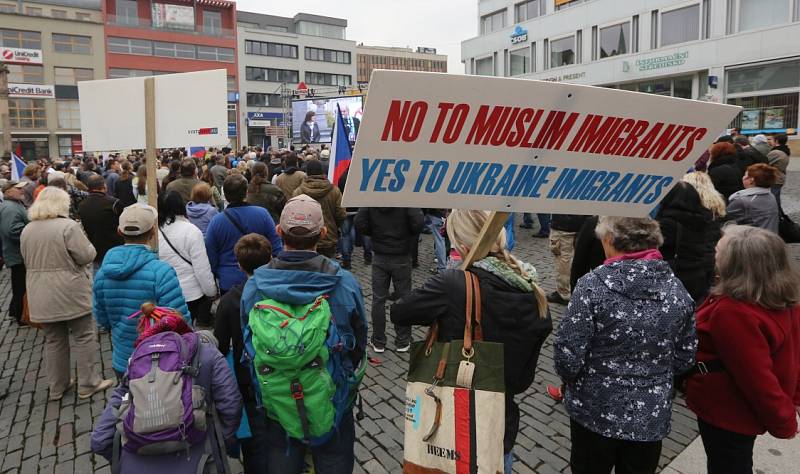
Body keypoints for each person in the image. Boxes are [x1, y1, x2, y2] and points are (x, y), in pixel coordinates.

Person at [392, 209, 553, 473]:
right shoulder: (533, 289)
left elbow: (400, 311)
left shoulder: (453, 284)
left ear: (463, 245)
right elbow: (523, 378)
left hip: (454, 416)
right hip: (500, 422)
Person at [554, 216, 696, 474]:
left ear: (609, 241)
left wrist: (575, 380)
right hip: (650, 414)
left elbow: (568, 354)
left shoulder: (592, 286)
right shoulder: (677, 290)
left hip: (594, 409)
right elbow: (685, 356)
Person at [239, 194, 368, 473]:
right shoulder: (344, 283)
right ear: (322, 233)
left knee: (282, 457)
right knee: (334, 459)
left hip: (277, 397)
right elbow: (359, 342)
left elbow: (247, 341)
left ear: (278, 231)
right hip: (332, 395)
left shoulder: (255, 286)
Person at [684, 225, 800, 474]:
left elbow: (756, 376)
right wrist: (794, 399)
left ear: (735, 263)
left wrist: (784, 421)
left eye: (718, 251)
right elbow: (795, 353)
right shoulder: (782, 296)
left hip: (727, 411)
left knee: (728, 465)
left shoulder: (733, 311)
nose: (714, 255)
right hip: (741, 411)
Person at [91, 313, 242, 474]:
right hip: (199, 462)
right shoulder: (207, 354)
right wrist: (219, 442)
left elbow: (100, 440)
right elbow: (231, 405)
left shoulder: (134, 366)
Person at [20, 187, 113, 400]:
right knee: (84, 335)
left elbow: (26, 259)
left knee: (54, 340)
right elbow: (87, 255)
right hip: (70, 290)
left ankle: (57, 386)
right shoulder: (68, 226)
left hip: (39, 291)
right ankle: (89, 382)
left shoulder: (28, 229)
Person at [93, 203, 189, 379]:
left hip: (123, 360)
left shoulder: (102, 274)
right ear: (153, 231)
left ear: (120, 231)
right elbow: (179, 319)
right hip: (159, 360)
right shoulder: (161, 271)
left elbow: (102, 319)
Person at [214, 233, 272, 472]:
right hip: (284, 371)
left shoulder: (229, 301)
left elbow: (219, 345)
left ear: (239, 264)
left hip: (248, 378)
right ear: (271, 258)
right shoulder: (283, 290)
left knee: (256, 442)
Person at [355, 206, 424, 352]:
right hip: (402, 254)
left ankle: (379, 341)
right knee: (404, 297)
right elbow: (418, 223)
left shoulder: (374, 197)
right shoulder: (404, 198)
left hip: (380, 254)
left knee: (378, 300)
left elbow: (359, 221)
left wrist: (374, 233)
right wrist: (407, 234)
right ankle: (403, 340)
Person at [204, 174, 282, 294]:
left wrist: (216, 275)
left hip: (229, 280)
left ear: (225, 195)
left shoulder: (216, 221)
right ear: (246, 192)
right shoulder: (263, 214)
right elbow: (276, 246)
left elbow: (211, 255)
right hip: (261, 277)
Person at [158, 191, 217, 328]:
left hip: (164, 292)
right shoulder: (191, 231)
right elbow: (201, 268)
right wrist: (211, 291)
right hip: (191, 293)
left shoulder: (155, 232)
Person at [292, 160, 345, 258]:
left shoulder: (298, 192)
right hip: (327, 235)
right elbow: (341, 214)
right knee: (327, 268)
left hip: (306, 237)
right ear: (322, 171)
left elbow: (294, 215)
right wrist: (333, 226)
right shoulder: (334, 191)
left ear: (307, 172)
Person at [78, 175, 124, 271]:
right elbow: (123, 224)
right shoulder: (113, 203)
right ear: (104, 186)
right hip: (115, 249)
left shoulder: (82, 205)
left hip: (95, 249)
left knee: (98, 278)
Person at [0, 181, 29, 324]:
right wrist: (31, 233)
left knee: (19, 284)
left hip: (17, 253)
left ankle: (14, 310)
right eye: (18, 188)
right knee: (21, 286)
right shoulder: (10, 208)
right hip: (17, 255)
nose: (22, 190)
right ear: (8, 191)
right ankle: (20, 316)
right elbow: (12, 231)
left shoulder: (14, 204)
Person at [726, 163, 780, 234]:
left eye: (745, 175)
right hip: (771, 237)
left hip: (751, 241)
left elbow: (724, 217)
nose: (743, 177)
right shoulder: (771, 196)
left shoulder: (742, 200)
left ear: (751, 180)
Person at [547, 214, 586, 305]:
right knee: (577, 258)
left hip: (564, 226)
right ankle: (575, 289)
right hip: (581, 224)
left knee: (563, 260)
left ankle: (564, 293)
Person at [767, 133, 790, 208]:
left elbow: (765, 163)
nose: (770, 141)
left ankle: (776, 216)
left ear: (776, 141)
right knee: (776, 199)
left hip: (775, 178)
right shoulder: (784, 150)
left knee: (772, 200)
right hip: (780, 177)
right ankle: (779, 216)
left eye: (772, 139)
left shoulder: (775, 152)